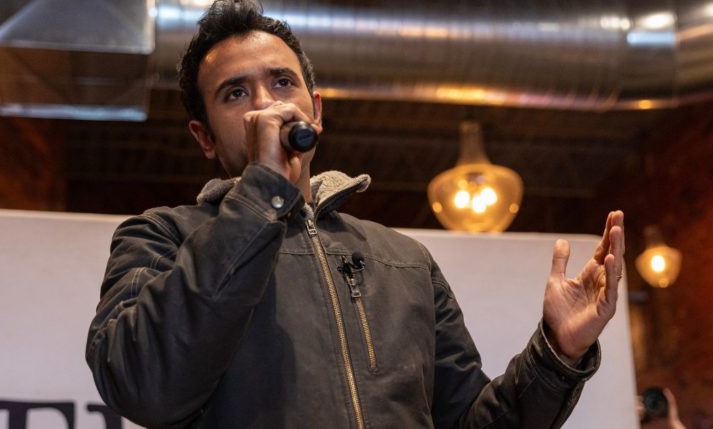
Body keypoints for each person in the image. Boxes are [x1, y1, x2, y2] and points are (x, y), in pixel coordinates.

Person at [85, 1, 626, 427]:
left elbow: (467, 422)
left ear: (314, 111)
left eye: (282, 82)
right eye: (234, 93)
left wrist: (559, 352)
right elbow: (146, 387)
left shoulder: (403, 259)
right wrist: (262, 192)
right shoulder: (162, 236)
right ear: (204, 136)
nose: (267, 104)